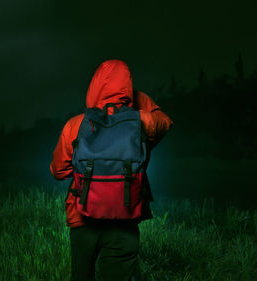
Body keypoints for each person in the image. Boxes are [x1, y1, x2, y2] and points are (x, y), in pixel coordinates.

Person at [50, 59, 173, 281]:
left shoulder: (76, 125)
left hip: (81, 218)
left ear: (94, 86)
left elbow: (58, 171)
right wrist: (136, 99)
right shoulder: (141, 122)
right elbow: (165, 121)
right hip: (125, 220)